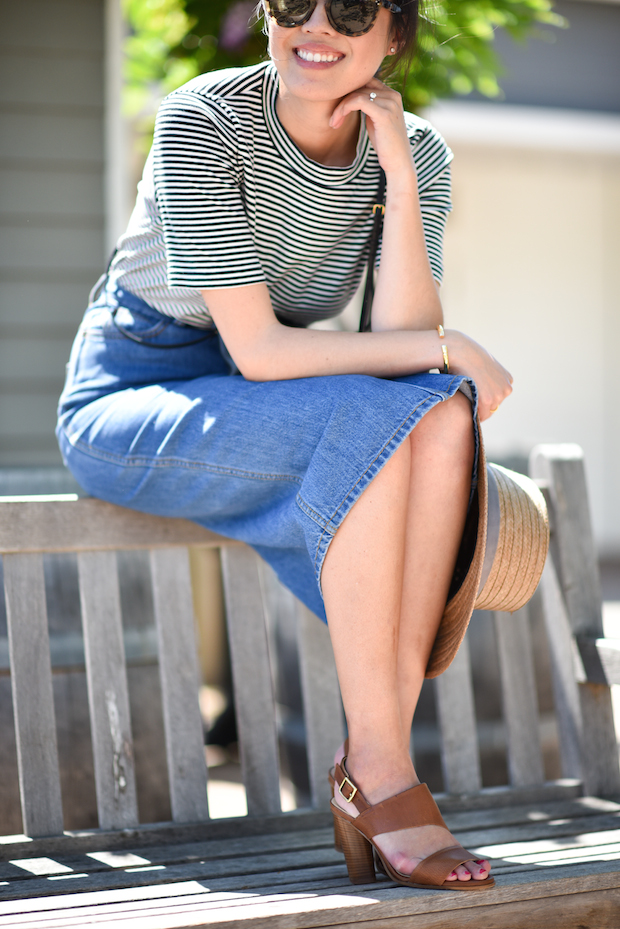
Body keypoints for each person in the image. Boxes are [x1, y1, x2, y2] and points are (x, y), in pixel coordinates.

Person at [57, 0, 512, 890]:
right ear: (265, 16)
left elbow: (405, 338)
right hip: (137, 392)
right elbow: (266, 350)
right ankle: (383, 775)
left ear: (393, 36)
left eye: (349, 8)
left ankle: (374, 759)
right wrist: (450, 348)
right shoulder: (207, 118)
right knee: (406, 403)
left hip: (266, 398)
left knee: (444, 413)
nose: (318, 23)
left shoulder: (415, 149)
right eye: (293, 1)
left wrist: (401, 179)